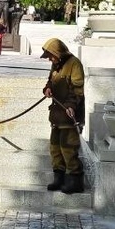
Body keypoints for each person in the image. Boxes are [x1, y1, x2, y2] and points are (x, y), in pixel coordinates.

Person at [40, 38, 85, 194]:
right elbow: (50, 80)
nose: (50, 60)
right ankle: (58, 178)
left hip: (69, 115)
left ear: (58, 53)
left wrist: (71, 105)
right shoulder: (56, 64)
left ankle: (75, 180)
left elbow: (77, 89)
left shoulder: (74, 64)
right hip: (56, 115)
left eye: (51, 56)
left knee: (68, 148)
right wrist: (47, 88)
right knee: (55, 147)